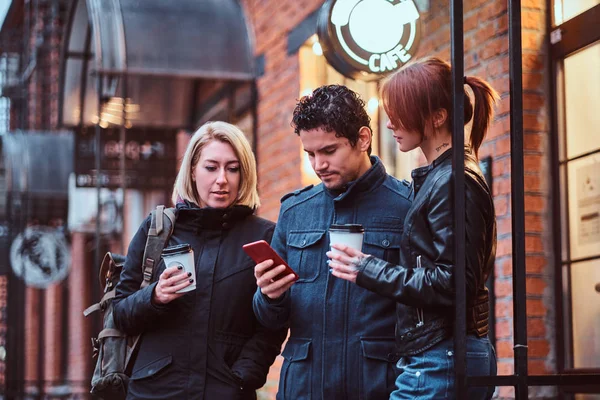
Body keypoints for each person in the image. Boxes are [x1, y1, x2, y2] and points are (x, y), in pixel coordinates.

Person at [328, 57, 499, 399]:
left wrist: (368, 268)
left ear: (437, 116)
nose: (390, 123)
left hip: (442, 358)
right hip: (439, 354)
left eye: (400, 112)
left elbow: (454, 282)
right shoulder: (442, 177)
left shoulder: (453, 180)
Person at [252, 84, 412, 400]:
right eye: (309, 154)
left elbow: (424, 303)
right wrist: (269, 296)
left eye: (329, 151)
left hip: (378, 387)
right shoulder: (295, 210)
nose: (318, 165)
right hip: (304, 388)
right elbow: (270, 321)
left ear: (363, 139)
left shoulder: (406, 206)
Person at [113, 121, 287, 400]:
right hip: (154, 390)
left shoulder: (264, 236)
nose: (222, 179)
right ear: (193, 170)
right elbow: (119, 313)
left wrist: (243, 377)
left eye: (233, 168)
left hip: (224, 390)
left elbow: (274, 323)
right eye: (211, 167)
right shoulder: (158, 229)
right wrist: (154, 296)